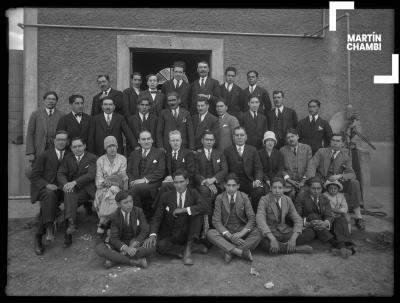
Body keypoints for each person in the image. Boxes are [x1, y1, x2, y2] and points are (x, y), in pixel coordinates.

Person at [143, 169, 210, 265]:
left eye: (181, 182)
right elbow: (157, 217)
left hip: (189, 232)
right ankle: (189, 249)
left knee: (197, 213)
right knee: (160, 246)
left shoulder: (193, 193)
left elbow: (206, 207)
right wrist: (152, 235)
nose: (179, 185)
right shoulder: (166, 196)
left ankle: (188, 251)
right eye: (176, 182)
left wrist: (184, 209)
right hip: (173, 233)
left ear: (187, 181)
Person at [306, 133, 365, 230]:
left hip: (336, 182)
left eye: (338, 141)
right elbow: (312, 164)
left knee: (355, 183)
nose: (335, 143)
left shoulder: (345, 156)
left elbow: (352, 174)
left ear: (342, 143)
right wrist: (312, 179)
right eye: (333, 140)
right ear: (330, 141)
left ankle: (358, 217)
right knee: (311, 187)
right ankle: (312, 217)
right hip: (321, 179)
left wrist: (339, 175)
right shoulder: (322, 151)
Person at [207, 173, 261, 263]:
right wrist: (228, 235)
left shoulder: (244, 197)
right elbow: (216, 221)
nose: (231, 188)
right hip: (226, 231)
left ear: (238, 186)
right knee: (210, 233)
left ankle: (229, 250)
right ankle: (239, 252)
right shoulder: (219, 198)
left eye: (233, 185)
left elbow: (252, 218)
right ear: (224, 185)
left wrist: (241, 234)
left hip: (241, 230)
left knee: (259, 231)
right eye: (228, 185)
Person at [30, 130, 69, 255]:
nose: (61, 142)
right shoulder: (45, 155)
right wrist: (47, 185)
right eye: (59, 139)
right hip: (45, 188)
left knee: (49, 203)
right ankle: (47, 229)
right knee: (49, 195)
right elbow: (34, 175)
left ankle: (40, 234)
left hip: (62, 189)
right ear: (54, 141)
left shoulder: (70, 155)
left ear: (67, 142)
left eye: (64, 140)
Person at [295, 177, 356, 258]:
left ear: (321, 189)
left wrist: (325, 223)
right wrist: (306, 223)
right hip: (309, 225)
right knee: (312, 216)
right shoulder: (301, 197)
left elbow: (328, 215)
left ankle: (344, 244)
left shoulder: (324, 198)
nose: (316, 191)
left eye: (318, 188)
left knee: (341, 218)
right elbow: (297, 216)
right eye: (313, 188)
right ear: (309, 188)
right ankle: (339, 245)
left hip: (322, 226)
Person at [95, 191, 155, 269]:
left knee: (152, 246)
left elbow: (145, 229)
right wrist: (126, 249)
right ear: (119, 204)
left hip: (135, 242)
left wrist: (135, 243)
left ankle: (115, 259)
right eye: (126, 202)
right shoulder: (115, 216)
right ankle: (134, 261)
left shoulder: (138, 211)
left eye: (131, 201)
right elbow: (114, 238)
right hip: (120, 244)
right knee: (100, 249)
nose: (130, 204)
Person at [57, 137, 98, 247]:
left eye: (80, 146)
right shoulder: (68, 158)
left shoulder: (92, 158)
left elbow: (91, 175)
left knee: (69, 198)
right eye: (74, 147)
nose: (77, 148)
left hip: (87, 190)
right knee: (69, 194)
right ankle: (71, 223)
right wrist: (66, 184)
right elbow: (60, 173)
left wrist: (74, 182)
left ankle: (70, 226)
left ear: (84, 146)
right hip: (73, 190)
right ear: (71, 148)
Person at [256, 177, 313, 255]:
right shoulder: (264, 200)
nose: (277, 191)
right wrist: (272, 239)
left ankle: (283, 246)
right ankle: (296, 249)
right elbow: (260, 219)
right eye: (274, 187)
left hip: (285, 232)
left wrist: (293, 238)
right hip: (271, 233)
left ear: (283, 188)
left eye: (280, 188)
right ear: (270, 188)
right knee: (264, 243)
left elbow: (297, 219)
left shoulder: (287, 200)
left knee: (310, 233)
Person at [93, 136, 129, 240]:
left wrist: (112, 181)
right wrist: (106, 182)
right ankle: (110, 225)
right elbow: (98, 179)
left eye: (114, 146)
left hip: (118, 187)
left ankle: (103, 222)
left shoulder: (122, 159)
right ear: (105, 148)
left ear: (117, 146)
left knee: (113, 190)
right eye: (109, 146)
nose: (112, 149)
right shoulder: (100, 160)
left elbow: (122, 176)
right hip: (103, 188)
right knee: (109, 193)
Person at [224, 126, 266, 212]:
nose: (239, 137)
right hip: (234, 183)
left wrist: (258, 180)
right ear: (233, 137)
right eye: (237, 135)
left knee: (259, 190)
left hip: (250, 182)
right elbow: (225, 170)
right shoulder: (227, 151)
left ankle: (254, 215)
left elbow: (258, 168)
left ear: (246, 137)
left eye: (241, 135)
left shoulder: (253, 150)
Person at [194, 131, 228, 235]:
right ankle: (207, 225)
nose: (209, 142)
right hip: (203, 184)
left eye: (211, 140)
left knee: (218, 192)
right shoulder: (197, 154)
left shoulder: (219, 153)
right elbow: (194, 172)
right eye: (206, 139)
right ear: (202, 141)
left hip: (217, 183)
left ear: (214, 141)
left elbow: (224, 170)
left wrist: (213, 180)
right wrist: (205, 182)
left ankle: (215, 225)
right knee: (205, 192)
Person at [127, 130, 165, 219]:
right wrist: (132, 181)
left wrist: (143, 180)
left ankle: (138, 218)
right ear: (139, 141)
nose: (146, 141)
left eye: (148, 139)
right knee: (134, 190)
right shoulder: (134, 154)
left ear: (152, 140)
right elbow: (128, 171)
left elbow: (160, 172)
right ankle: (141, 218)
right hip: (136, 184)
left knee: (132, 191)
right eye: (143, 139)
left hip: (152, 184)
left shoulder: (159, 153)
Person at [26, 91, 65, 168]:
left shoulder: (62, 115)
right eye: (48, 99)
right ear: (44, 100)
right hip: (40, 149)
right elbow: (30, 134)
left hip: (55, 149)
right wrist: (30, 152)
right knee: (38, 171)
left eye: (53, 99)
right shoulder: (36, 114)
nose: (51, 101)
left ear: (56, 101)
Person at [280, 128, 312, 201]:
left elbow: (310, 167)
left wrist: (303, 181)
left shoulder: (306, 148)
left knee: (302, 194)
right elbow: (281, 169)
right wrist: (290, 181)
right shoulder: (282, 150)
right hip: (289, 181)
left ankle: (298, 212)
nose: (291, 139)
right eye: (288, 137)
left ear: (297, 136)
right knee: (290, 194)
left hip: (304, 181)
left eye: (292, 136)